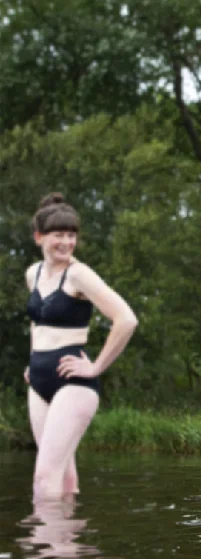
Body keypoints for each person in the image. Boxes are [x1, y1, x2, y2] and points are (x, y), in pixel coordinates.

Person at [25, 193, 138, 500]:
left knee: (44, 477)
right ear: (39, 237)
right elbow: (39, 322)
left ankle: (42, 548)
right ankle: (65, 547)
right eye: (58, 235)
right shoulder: (32, 274)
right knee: (63, 477)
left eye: (71, 235)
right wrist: (32, 361)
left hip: (73, 381)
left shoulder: (78, 274)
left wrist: (96, 366)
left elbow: (125, 319)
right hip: (38, 381)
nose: (66, 242)